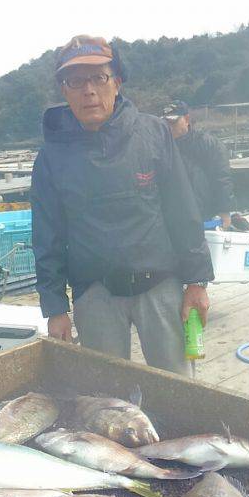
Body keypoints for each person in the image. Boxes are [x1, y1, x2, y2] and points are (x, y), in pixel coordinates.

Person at [31, 36, 214, 376]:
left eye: (98, 77)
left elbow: (183, 212)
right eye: (75, 81)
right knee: (105, 394)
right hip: (95, 292)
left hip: (161, 286)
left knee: (179, 386)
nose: (88, 90)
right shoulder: (51, 157)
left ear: (117, 81)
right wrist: (55, 307)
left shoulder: (155, 133)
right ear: (64, 90)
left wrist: (197, 281)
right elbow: (47, 235)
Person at [161, 100, 235, 230]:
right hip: (172, 215)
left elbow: (222, 178)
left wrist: (224, 211)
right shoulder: (161, 146)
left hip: (203, 213)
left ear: (187, 119)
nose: (169, 126)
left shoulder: (208, 144)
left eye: (173, 122)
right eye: (165, 123)